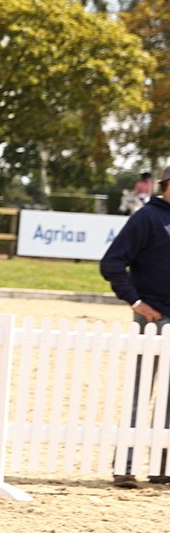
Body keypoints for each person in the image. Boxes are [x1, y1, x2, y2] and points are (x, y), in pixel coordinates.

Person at [100, 164, 170, 488]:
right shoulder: (147, 218)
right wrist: (136, 302)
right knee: (140, 393)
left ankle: (162, 467)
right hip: (153, 319)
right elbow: (112, 262)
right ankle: (124, 466)